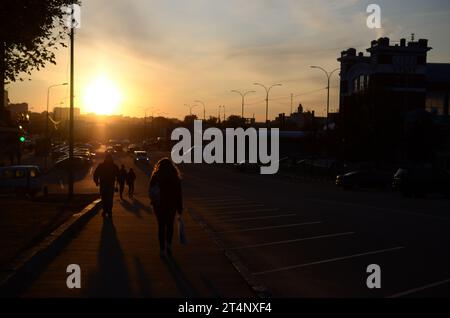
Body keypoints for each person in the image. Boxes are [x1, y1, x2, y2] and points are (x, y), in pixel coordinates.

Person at [149, 158, 183, 257]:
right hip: (171, 205)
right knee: (170, 226)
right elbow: (178, 194)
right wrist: (180, 207)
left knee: (161, 227)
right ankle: (168, 245)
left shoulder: (156, 176)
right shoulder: (175, 177)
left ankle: (162, 249)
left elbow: (151, 190)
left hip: (159, 205)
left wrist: (153, 201)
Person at [93, 154, 119, 218]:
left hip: (106, 185)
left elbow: (96, 174)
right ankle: (107, 211)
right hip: (107, 185)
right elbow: (96, 174)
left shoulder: (102, 166)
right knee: (107, 199)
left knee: (106, 199)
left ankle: (107, 211)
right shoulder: (114, 166)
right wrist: (96, 181)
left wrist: (96, 181)